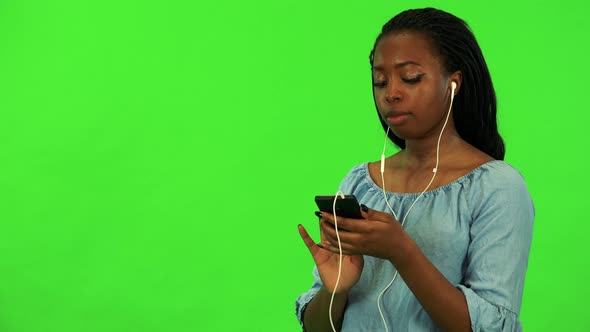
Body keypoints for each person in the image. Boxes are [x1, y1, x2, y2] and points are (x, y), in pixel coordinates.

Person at [295, 8, 534, 332]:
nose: (391, 93)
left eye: (410, 78)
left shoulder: (497, 187)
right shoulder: (358, 182)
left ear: (453, 84)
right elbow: (317, 328)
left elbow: (490, 327)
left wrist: (401, 250)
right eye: (380, 81)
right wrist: (337, 289)